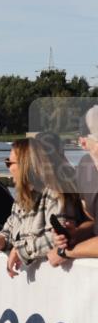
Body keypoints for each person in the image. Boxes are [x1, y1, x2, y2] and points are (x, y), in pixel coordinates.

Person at [0, 138, 82, 276]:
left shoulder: (55, 194)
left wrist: (21, 250)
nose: (7, 166)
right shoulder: (21, 200)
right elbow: (8, 232)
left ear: (26, 166)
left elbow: (58, 238)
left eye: (9, 162)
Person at [48, 106, 98, 264]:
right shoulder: (85, 169)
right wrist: (75, 234)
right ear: (83, 143)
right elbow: (93, 221)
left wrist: (65, 252)